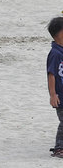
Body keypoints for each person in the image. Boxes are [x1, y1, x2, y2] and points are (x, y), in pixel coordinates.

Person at [46, 17, 63, 158]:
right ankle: (59, 148)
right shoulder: (55, 54)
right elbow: (51, 75)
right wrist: (53, 94)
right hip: (60, 96)